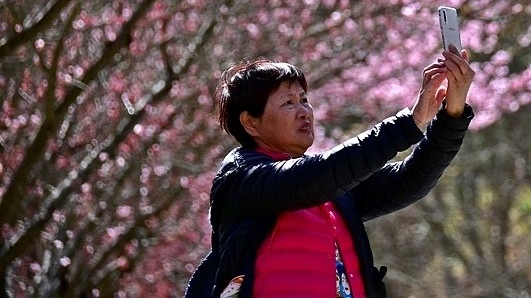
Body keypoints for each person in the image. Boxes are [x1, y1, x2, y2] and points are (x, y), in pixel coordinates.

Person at [185, 46, 475, 298]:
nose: (304, 111)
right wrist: (409, 122)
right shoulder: (242, 177)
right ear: (250, 122)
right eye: (288, 102)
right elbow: (313, 177)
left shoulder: (331, 189)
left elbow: (409, 179)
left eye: (304, 99)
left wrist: (452, 112)